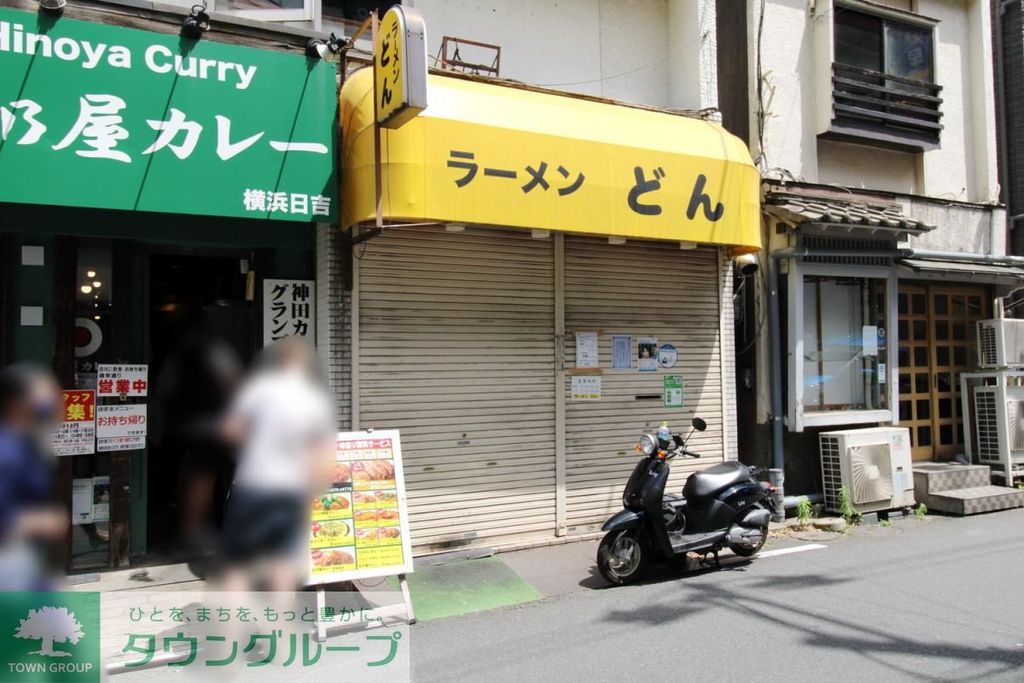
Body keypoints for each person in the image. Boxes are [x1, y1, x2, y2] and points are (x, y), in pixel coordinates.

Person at [219, 337, 334, 591]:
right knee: (283, 560)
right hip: (291, 489)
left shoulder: (258, 390)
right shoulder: (313, 399)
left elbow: (231, 431)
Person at [0, 363, 67, 590]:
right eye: (45, 394)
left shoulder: (28, 442)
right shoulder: (7, 450)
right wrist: (37, 522)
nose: (55, 401)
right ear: (16, 402)